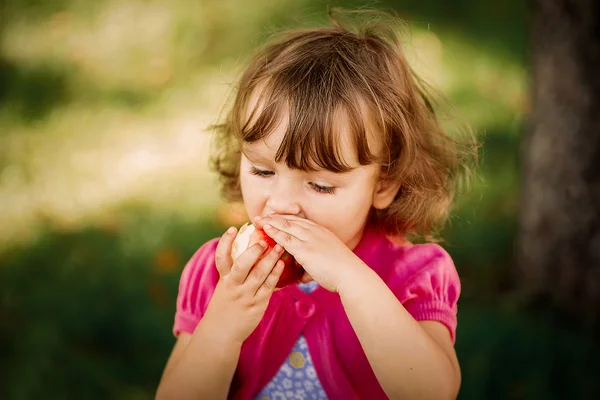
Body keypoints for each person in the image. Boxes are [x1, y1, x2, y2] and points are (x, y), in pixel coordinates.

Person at [156, 8, 476, 400]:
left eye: (321, 186)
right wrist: (223, 324)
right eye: (262, 171)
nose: (282, 204)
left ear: (384, 185)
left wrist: (350, 278)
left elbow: (432, 392)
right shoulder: (218, 274)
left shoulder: (412, 276)